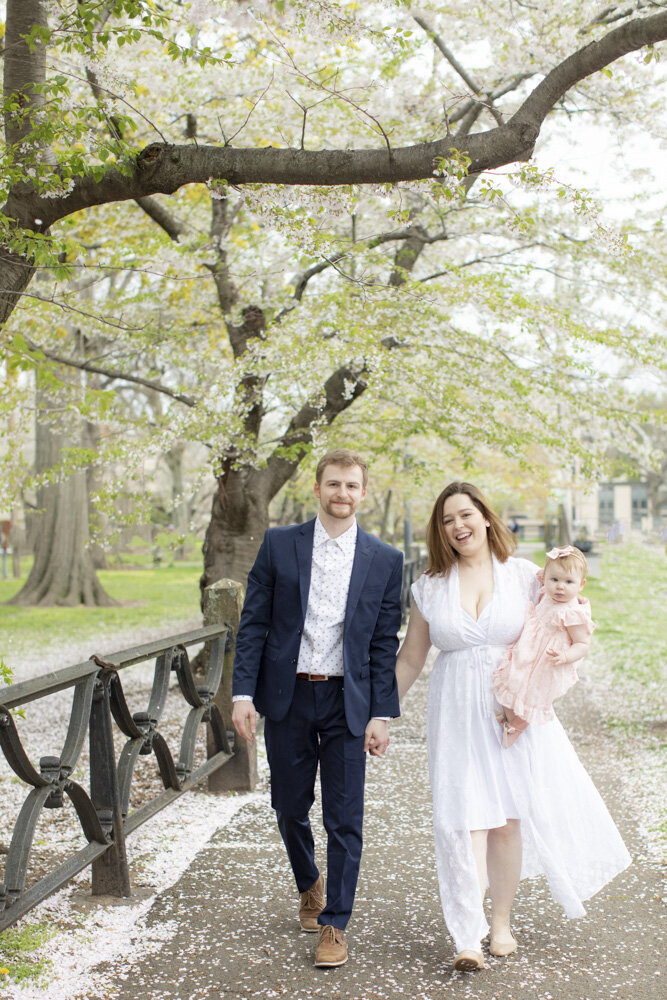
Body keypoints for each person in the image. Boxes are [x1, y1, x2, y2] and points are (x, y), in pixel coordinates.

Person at [395, 482, 630, 972]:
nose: (458, 526)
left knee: (505, 818)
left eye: (466, 514)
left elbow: (567, 616)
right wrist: (380, 714)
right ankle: (467, 935)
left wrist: (557, 667)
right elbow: (412, 656)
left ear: (484, 517)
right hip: (455, 704)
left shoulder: (525, 575)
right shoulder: (430, 585)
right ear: (441, 532)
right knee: (462, 818)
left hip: (513, 705)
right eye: (446, 520)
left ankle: (500, 922)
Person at [231, 449, 403, 969]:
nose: (342, 494)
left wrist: (382, 713)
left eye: (352, 486)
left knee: (345, 816)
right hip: (288, 695)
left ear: (363, 493)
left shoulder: (385, 560)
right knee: (288, 805)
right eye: (334, 484)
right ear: (317, 488)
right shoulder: (281, 545)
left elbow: (382, 642)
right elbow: (254, 624)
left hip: (347, 701)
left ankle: (335, 923)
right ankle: (309, 882)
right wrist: (242, 694)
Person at [493, 545, 594, 747]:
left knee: (529, 692)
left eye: (568, 582)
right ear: (545, 577)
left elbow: (582, 644)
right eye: (554, 580)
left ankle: (518, 723)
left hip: (547, 659)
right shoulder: (547, 591)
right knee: (511, 679)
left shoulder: (572, 612)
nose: (560, 587)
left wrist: (565, 656)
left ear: (581, 585)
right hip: (529, 649)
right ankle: (510, 716)